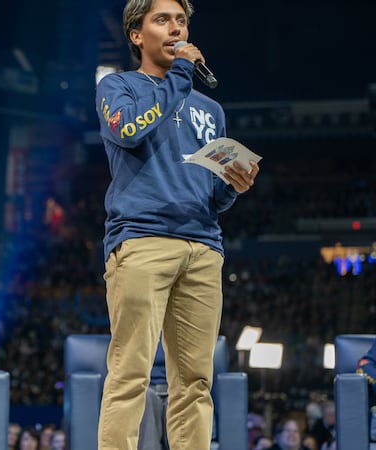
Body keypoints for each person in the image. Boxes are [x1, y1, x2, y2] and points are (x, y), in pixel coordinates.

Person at [94, 0, 260, 449]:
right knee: (131, 373)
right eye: (161, 19)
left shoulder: (212, 110)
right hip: (142, 242)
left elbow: (211, 192)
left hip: (203, 248)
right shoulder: (118, 87)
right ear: (136, 34)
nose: (175, 28)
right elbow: (129, 131)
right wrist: (181, 76)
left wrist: (233, 186)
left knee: (195, 382)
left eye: (181, 21)